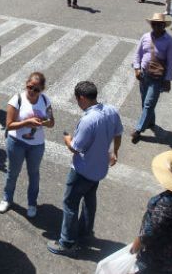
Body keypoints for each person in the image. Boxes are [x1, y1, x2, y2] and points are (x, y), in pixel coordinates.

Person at [47, 81, 123, 256]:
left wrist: (67, 138)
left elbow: (76, 147)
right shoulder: (111, 110)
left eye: (77, 100)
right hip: (99, 169)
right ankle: (85, 232)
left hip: (82, 171)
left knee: (70, 204)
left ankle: (66, 242)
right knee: (89, 201)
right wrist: (115, 152)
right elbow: (118, 133)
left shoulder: (88, 120)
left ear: (81, 98)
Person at [0, 72, 54, 218]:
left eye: (37, 89)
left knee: (34, 174)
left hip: (37, 145)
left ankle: (31, 203)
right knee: (13, 173)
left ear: (42, 89)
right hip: (16, 142)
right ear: (26, 84)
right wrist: (26, 123)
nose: (32, 91)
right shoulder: (17, 99)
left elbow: (52, 122)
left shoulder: (45, 100)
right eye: (30, 87)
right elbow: (9, 125)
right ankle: (7, 198)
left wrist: (45, 122)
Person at [131, 13, 172, 144]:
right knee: (145, 102)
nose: (156, 26)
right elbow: (137, 53)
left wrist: (168, 80)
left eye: (159, 24)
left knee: (148, 103)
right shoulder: (145, 37)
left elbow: (171, 62)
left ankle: (139, 130)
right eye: (154, 24)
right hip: (144, 75)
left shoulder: (170, 42)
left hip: (157, 78)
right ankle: (151, 122)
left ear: (164, 26)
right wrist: (136, 68)